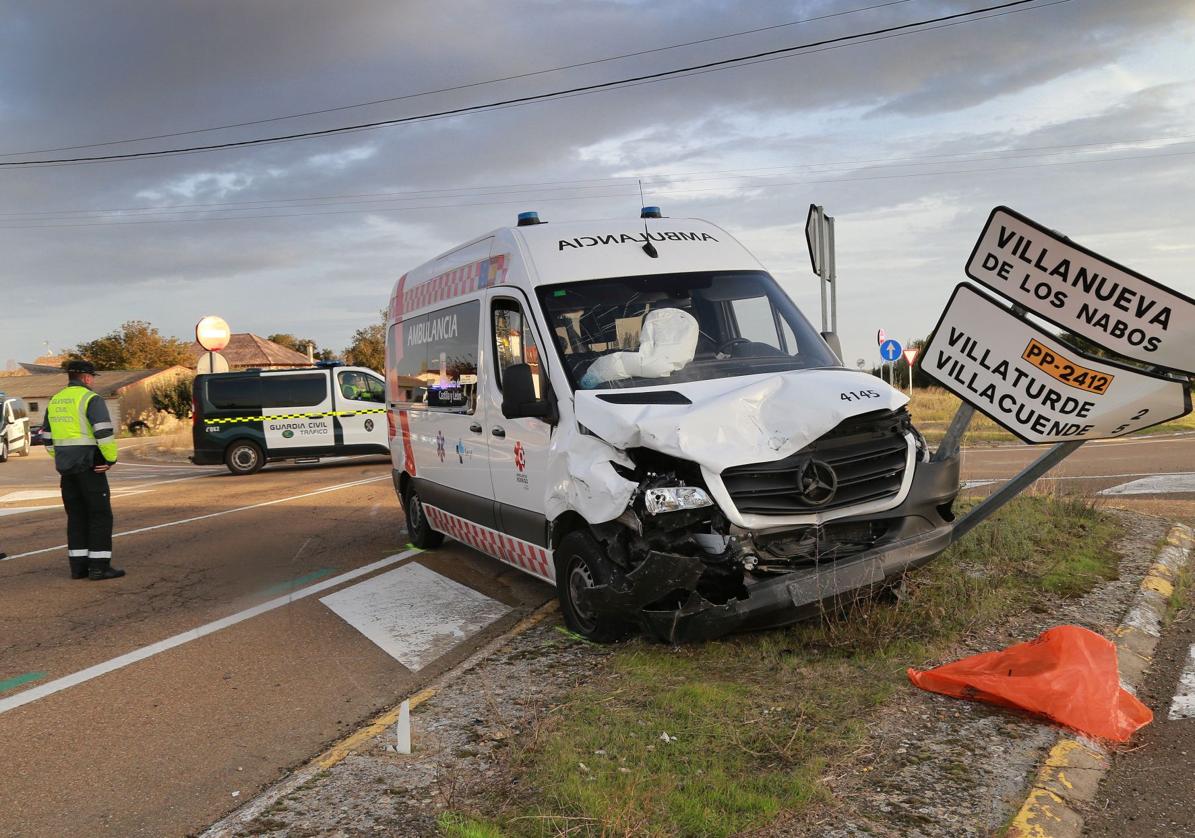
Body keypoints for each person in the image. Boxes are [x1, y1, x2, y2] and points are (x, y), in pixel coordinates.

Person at [40, 360, 124, 580]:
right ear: (86, 378)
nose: (93, 381)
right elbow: (104, 433)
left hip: (67, 470)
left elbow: (46, 438)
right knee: (100, 516)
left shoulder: (55, 400)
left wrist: (63, 458)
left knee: (76, 517)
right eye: (92, 378)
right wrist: (110, 459)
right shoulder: (90, 399)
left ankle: (78, 568)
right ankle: (99, 567)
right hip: (90, 468)